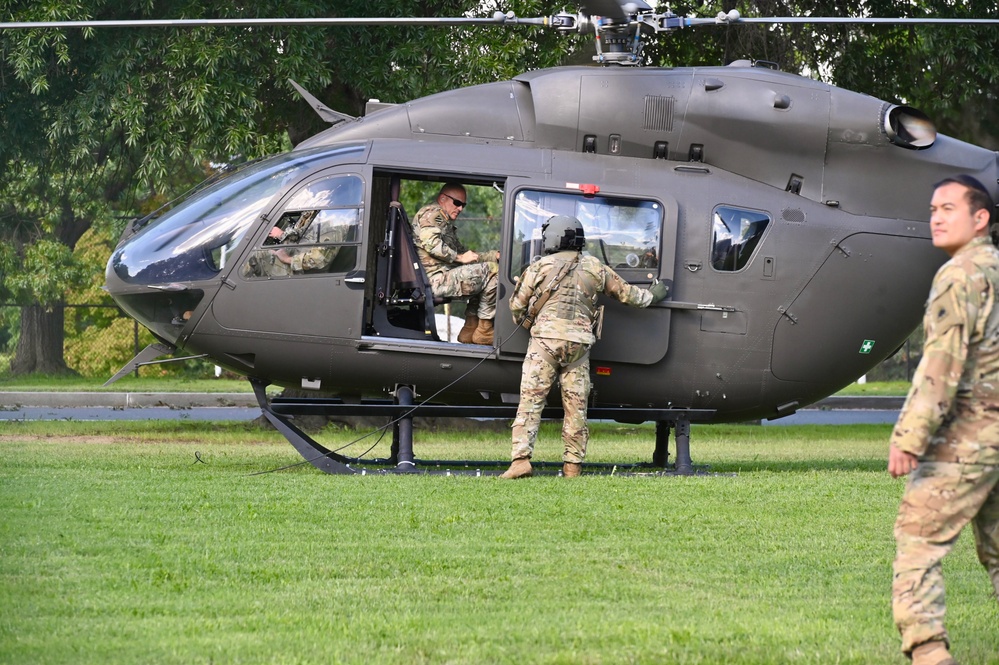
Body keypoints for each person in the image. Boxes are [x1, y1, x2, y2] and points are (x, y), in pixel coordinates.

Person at [888, 174, 999, 665]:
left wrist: (910, 436)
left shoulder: (959, 276)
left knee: (917, 544)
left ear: (981, 219)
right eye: (933, 208)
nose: (936, 216)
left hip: (970, 438)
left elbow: (941, 365)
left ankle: (930, 654)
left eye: (948, 208)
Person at [500, 215, 669, 479]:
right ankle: (572, 467)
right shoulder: (594, 267)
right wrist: (655, 295)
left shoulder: (538, 267)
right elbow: (630, 295)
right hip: (578, 347)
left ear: (553, 238)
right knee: (576, 408)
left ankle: (521, 460)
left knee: (531, 403)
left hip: (544, 343)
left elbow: (516, 306)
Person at [412, 183, 499, 345]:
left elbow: (467, 255)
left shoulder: (445, 225)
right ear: (442, 199)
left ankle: (470, 328)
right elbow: (430, 242)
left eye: (463, 205)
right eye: (457, 203)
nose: (460, 209)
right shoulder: (433, 213)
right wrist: (458, 258)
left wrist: (493, 255)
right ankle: (484, 330)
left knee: (486, 273)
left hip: (441, 278)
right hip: (434, 281)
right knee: (493, 272)